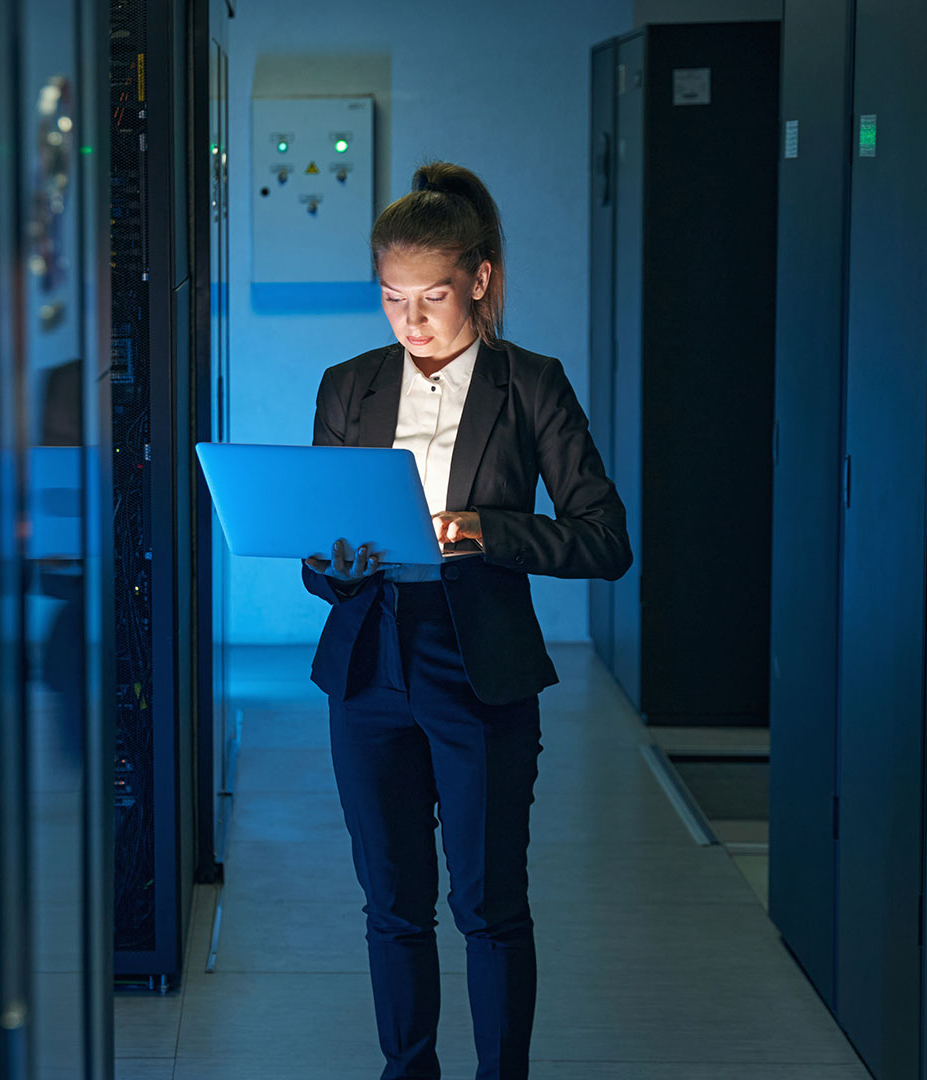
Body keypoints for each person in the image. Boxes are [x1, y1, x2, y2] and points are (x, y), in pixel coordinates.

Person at [300, 161, 633, 1080]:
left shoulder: (532, 384)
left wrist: (488, 530)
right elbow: (315, 559)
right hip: (367, 662)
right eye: (392, 298)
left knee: (487, 905)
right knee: (392, 903)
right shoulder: (348, 386)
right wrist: (335, 563)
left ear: (479, 281)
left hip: (476, 660)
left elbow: (605, 540)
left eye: (432, 296)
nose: (410, 321)